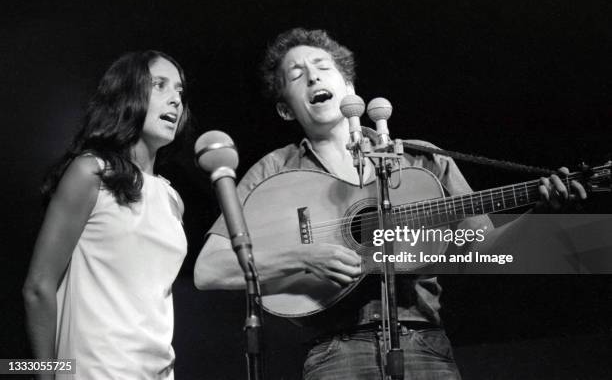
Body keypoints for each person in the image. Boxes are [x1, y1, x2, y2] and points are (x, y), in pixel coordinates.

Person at [194, 28, 585, 379]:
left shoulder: (422, 160)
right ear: (285, 107)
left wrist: (539, 212)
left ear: (348, 85)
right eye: (296, 75)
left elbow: (483, 251)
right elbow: (210, 269)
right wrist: (302, 258)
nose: (312, 76)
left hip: (424, 345)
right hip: (334, 352)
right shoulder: (274, 171)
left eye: (322, 67)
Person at [23, 50, 191, 379]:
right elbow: (39, 286)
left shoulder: (172, 198)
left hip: (157, 370)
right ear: (126, 94)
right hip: (96, 367)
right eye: (160, 85)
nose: (175, 99)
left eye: (180, 91)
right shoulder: (91, 173)